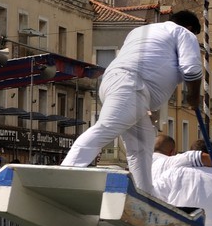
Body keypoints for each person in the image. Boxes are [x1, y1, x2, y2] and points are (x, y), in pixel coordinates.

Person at [60, 11, 204, 198]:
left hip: (119, 85)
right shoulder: (183, 33)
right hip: (132, 87)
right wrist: (193, 97)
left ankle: (145, 195)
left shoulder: (140, 31)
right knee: (106, 128)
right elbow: (192, 70)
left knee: (142, 146)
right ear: (190, 28)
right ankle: (67, 171)